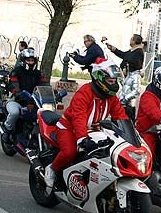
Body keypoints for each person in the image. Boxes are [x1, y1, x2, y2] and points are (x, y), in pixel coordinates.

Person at [45, 60, 128, 193]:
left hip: (94, 131)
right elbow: (79, 117)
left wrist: (130, 135)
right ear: (99, 79)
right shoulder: (85, 92)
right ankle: (52, 169)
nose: (114, 85)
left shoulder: (111, 98)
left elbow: (121, 116)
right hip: (69, 128)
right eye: (110, 81)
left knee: (106, 153)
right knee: (70, 152)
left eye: (115, 81)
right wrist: (82, 139)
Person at [4, 48, 49, 141]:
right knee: (14, 112)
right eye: (28, 60)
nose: (30, 62)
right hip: (16, 100)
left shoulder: (38, 74)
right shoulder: (17, 71)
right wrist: (17, 92)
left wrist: (52, 93)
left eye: (32, 60)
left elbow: (44, 85)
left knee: (41, 115)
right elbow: (13, 83)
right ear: (23, 61)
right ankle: (7, 131)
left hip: (32, 102)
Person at [103, 33, 145, 107]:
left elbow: (136, 91)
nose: (130, 40)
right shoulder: (132, 51)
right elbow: (123, 55)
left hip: (130, 78)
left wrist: (124, 99)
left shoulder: (138, 52)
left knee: (128, 105)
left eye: (131, 39)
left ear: (134, 41)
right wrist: (113, 49)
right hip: (126, 77)